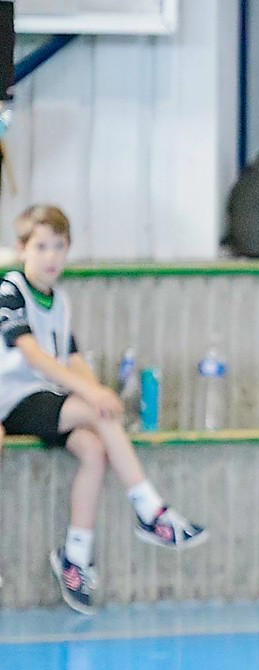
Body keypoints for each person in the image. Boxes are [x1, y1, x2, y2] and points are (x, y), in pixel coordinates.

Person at [0, 204, 206, 616]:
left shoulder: (59, 302)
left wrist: (98, 391)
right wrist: (92, 398)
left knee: (94, 449)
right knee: (97, 411)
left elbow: (72, 358)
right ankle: (150, 510)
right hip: (11, 399)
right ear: (22, 249)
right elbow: (34, 356)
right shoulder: (11, 289)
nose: (51, 256)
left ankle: (75, 557)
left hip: (38, 399)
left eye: (59, 246)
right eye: (41, 247)